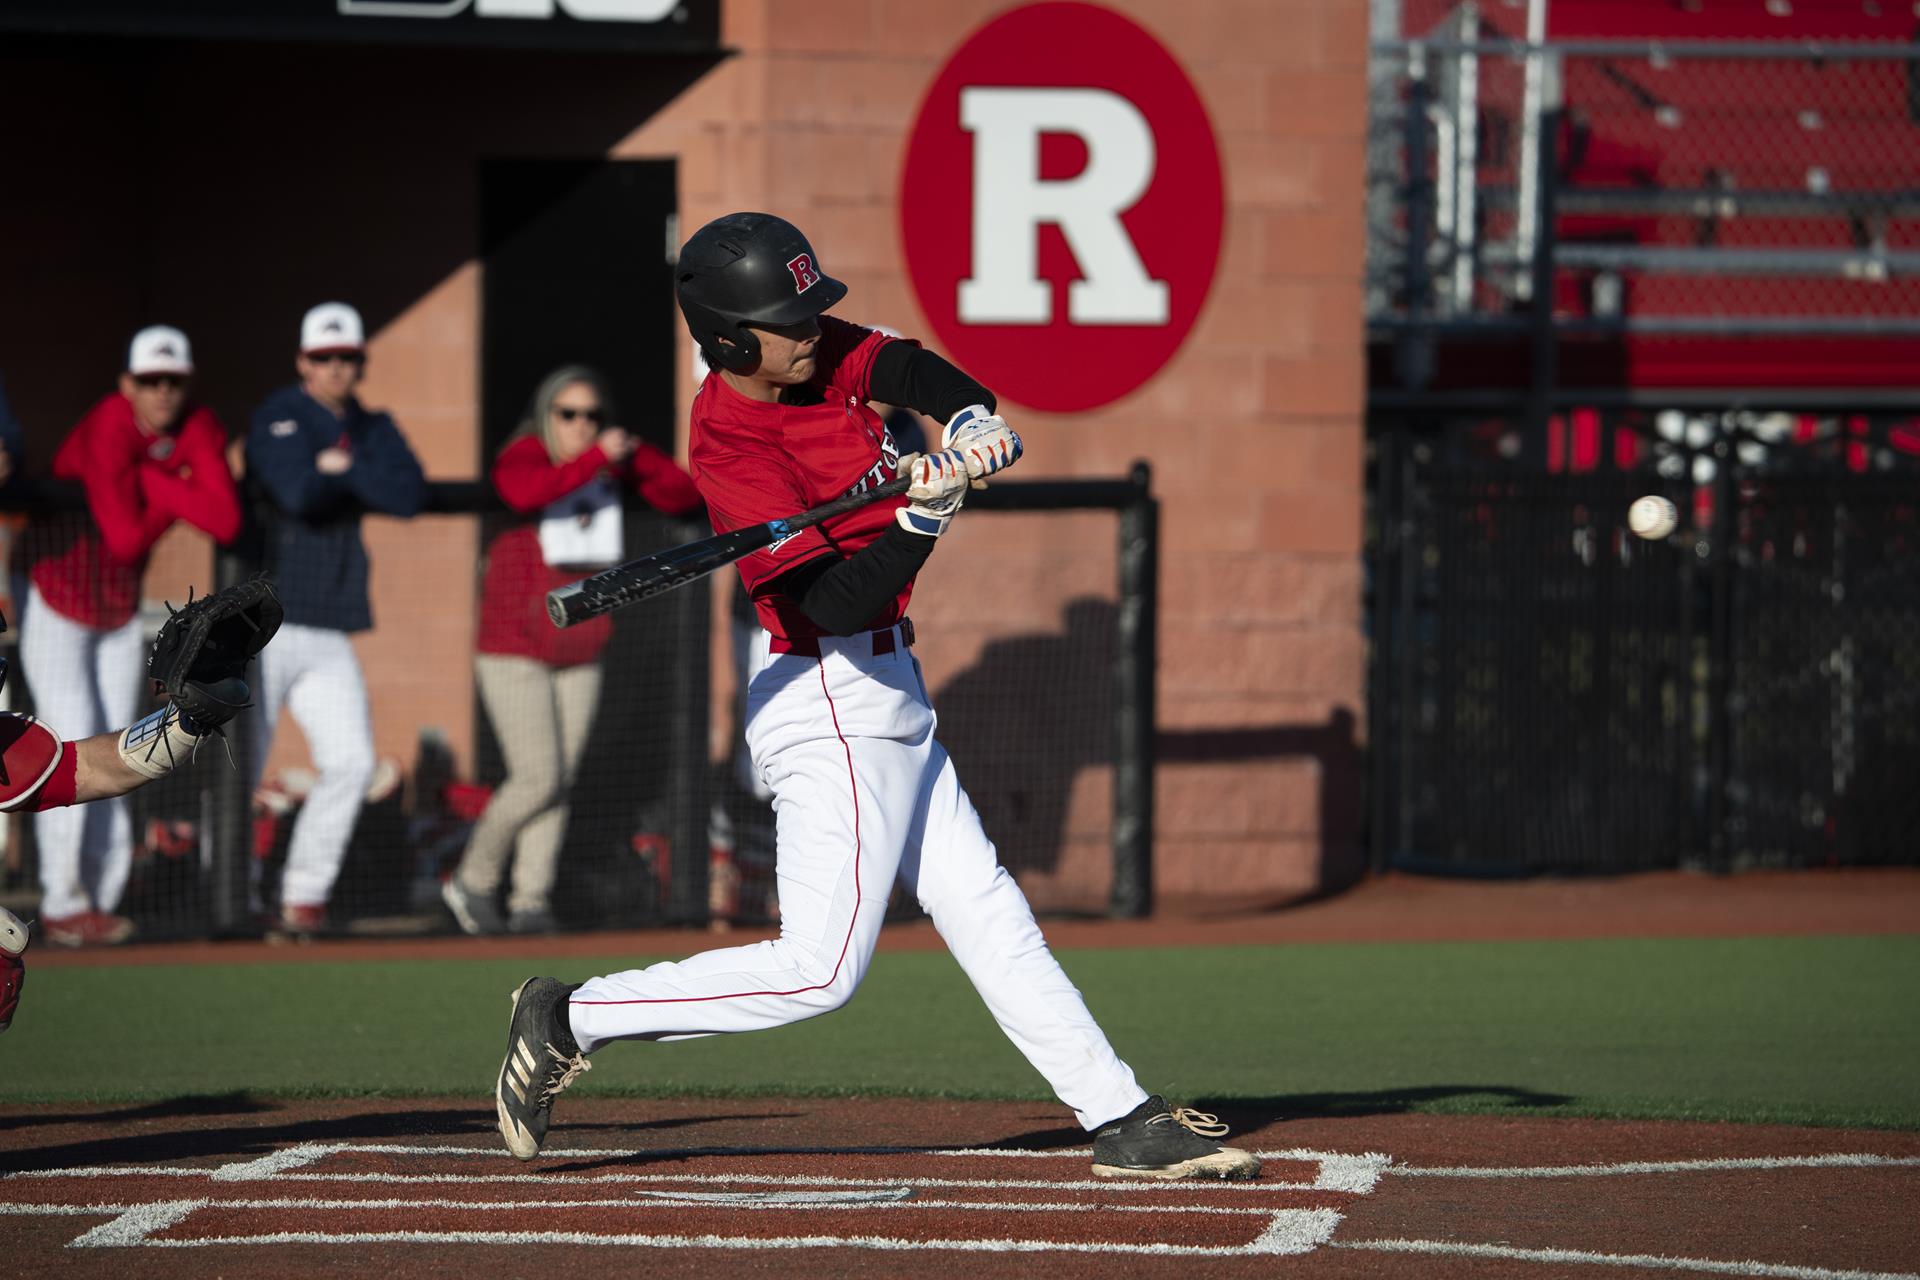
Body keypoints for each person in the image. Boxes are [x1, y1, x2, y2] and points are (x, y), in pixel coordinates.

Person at [491, 213, 1259, 1183]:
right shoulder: (729, 441)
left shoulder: (812, 357)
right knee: (820, 969)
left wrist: (970, 416)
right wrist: (920, 518)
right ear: (729, 339)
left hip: (886, 679)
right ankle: (572, 1015)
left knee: (984, 905)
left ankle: (1119, 1113)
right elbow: (826, 600)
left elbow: (908, 370)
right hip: (827, 690)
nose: (812, 329)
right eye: (787, 319)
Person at [443, 365, 703, 937]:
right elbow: (524, 490)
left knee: (560, 779)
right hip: (513, 647)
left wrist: (630, 455)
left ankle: (530, 899)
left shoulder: (608, 466)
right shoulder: (525, 455)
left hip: (582, 648)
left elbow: (682, 495)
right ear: (546, 416)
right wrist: (595, 460)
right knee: (536, 776)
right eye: (569, 414)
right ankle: (473, 880)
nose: (583, 426)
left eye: (593, 416)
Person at [13, 326, 242, 946]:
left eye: (173, 380)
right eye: (149, 380)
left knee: (122, 745)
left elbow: (225, 517)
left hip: (115, 608)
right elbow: (124, 538)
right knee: (63, 743)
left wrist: (152, 483)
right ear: (127, 383)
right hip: (57, 596)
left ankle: (100, 896)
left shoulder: (196, 424)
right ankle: (62, 901)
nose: (162, 392)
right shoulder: (111, 423)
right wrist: (175, 483)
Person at [247, 303, 425, 939]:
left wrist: (344, 468)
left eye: (347, 357)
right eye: (324, 357)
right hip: (262, 620)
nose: (336, 368)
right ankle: (228, 895)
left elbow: (409, 494)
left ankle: (302, 897)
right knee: (240, 761)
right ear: (303, 361)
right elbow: (295, 493)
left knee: (351, 762)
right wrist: (341, 476)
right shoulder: (279, 414)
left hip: (329, 624)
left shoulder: (370, 426)